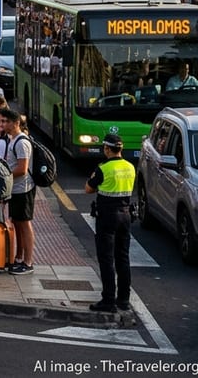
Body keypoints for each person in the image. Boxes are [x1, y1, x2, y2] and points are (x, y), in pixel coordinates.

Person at [85, 133, 135, 312]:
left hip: (107, 217)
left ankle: (108, 300)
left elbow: (88, 188)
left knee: (106, 259)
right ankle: (123, 299)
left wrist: (93, 175)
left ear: (107, 149)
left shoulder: (103, 168)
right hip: (126, 215)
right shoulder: (130, 167)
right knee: (123, 258)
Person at [0, 106, 36, 274]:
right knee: (17, 223)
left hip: (24, 188)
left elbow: (22, 168)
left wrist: (6, 176)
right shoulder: (13, 140)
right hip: (16, 189)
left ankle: (28, 261)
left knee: (25, 224)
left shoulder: (22, 142)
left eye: (6, 121)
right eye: (1, 121)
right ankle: (19, 258)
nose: (3, 124)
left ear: (16, 123)